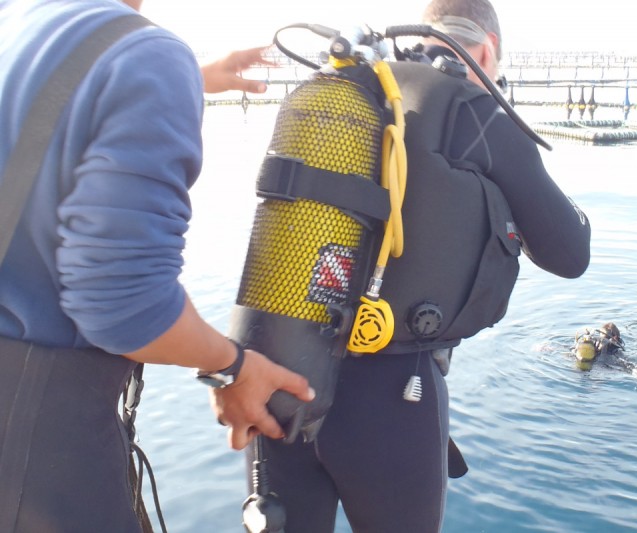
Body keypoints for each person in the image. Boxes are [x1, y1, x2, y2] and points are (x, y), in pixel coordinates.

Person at [251, 0, 591, 532]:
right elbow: (570, 256)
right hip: (393, 398)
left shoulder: (350, 90)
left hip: (276, 377)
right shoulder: (472, 110)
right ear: (487, 50)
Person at [0, 1, 313, 531]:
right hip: (38, 452)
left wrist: (188, 75)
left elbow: (45, 118)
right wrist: (233, 367)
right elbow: (126, 308)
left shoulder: (19, 27)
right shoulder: (145, 54)